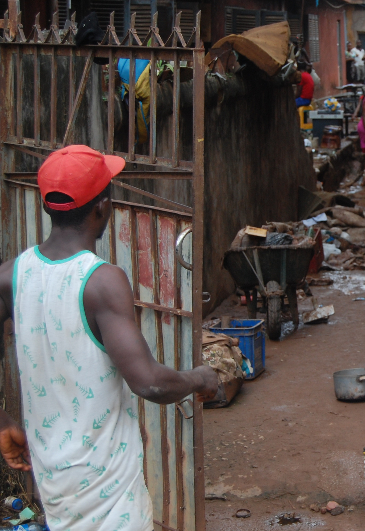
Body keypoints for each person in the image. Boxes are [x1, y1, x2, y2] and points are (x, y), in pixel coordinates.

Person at [0, 145, 218, 530]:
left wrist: (2, 421)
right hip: (106, 485)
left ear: (49, 205)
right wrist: (198, 378)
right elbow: (149, 383)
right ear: (103, 205)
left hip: (51, 475)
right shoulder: (100, 281)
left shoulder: (11, 275)